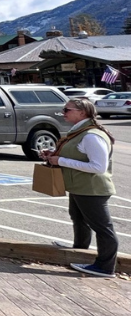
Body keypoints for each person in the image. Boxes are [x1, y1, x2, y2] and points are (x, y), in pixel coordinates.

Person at [42, 98, 118, 278]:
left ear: (82, 112)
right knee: (79, 219)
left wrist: (61, 161)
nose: (63, 112)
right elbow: (78, 155)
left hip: (92, 189)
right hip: (79, 187)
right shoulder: (80, 132)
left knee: (102, 227)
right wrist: (54, 156)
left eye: (67, 110)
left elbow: (98, 167)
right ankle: (80, 251)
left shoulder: (92, 135)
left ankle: (105, 267)